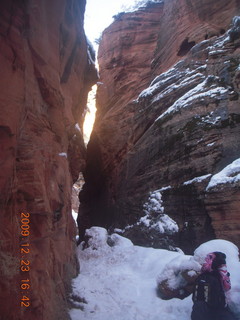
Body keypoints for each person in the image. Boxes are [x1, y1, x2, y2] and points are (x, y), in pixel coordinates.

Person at [191, 251, 237, 320]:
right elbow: (227, 287)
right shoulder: (213, 277)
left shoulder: (205, 276)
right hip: (213, 312)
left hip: (207, 312)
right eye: (222, 266)